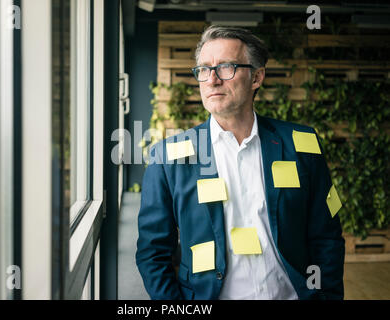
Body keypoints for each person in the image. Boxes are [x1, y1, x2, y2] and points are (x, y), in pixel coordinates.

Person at [136, 25, 345, 300]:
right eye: (203, 69)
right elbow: (153, 252)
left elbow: (326, 236)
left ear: (257, 77)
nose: (211, 80)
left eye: (225, 67)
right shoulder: (167, 157)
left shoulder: (301, 144)